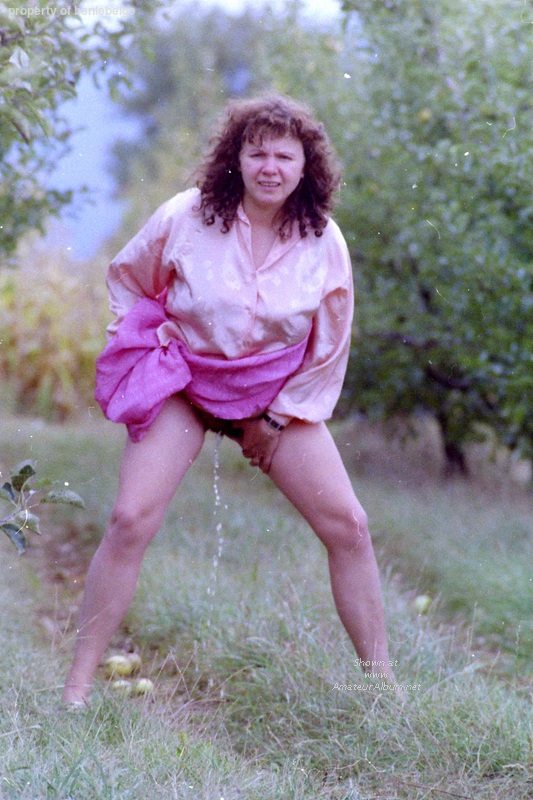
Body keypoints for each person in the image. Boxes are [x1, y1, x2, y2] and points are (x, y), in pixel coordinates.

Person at [62, 94, 397, 706]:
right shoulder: (186, 216)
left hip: (276, 400)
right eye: (257, 153)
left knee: (350, 526)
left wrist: (276, 419)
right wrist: (145, 349)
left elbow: (329, 348)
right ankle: (76, 690)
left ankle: (382, 690)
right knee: (129, 519)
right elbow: (128, 280)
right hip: (185, 386)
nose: (270, 167)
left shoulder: (325, 241)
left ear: (305, 167)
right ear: (236, 159)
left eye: (284, 157)